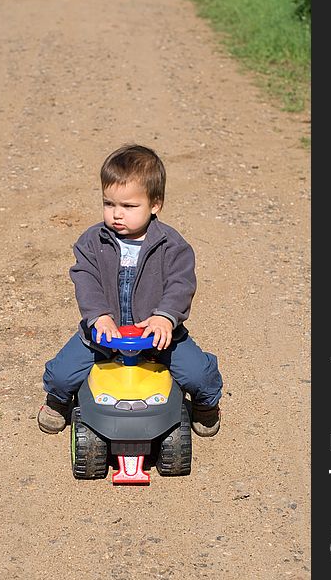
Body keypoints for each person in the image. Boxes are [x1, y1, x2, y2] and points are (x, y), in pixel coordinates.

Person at [38, 144, 223, 437]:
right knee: (62, 373)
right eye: (109, 204)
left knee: (197, 373)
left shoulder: (171, 245)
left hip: (158, 337)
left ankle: (205, 405)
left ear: (155, 204)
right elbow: (85, 278)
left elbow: (181, 283)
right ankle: (58, 401)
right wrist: (98, 316)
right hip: (102, 336)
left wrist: (165, 316)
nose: (117, 215)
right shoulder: (93, 241)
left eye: (129, 206)